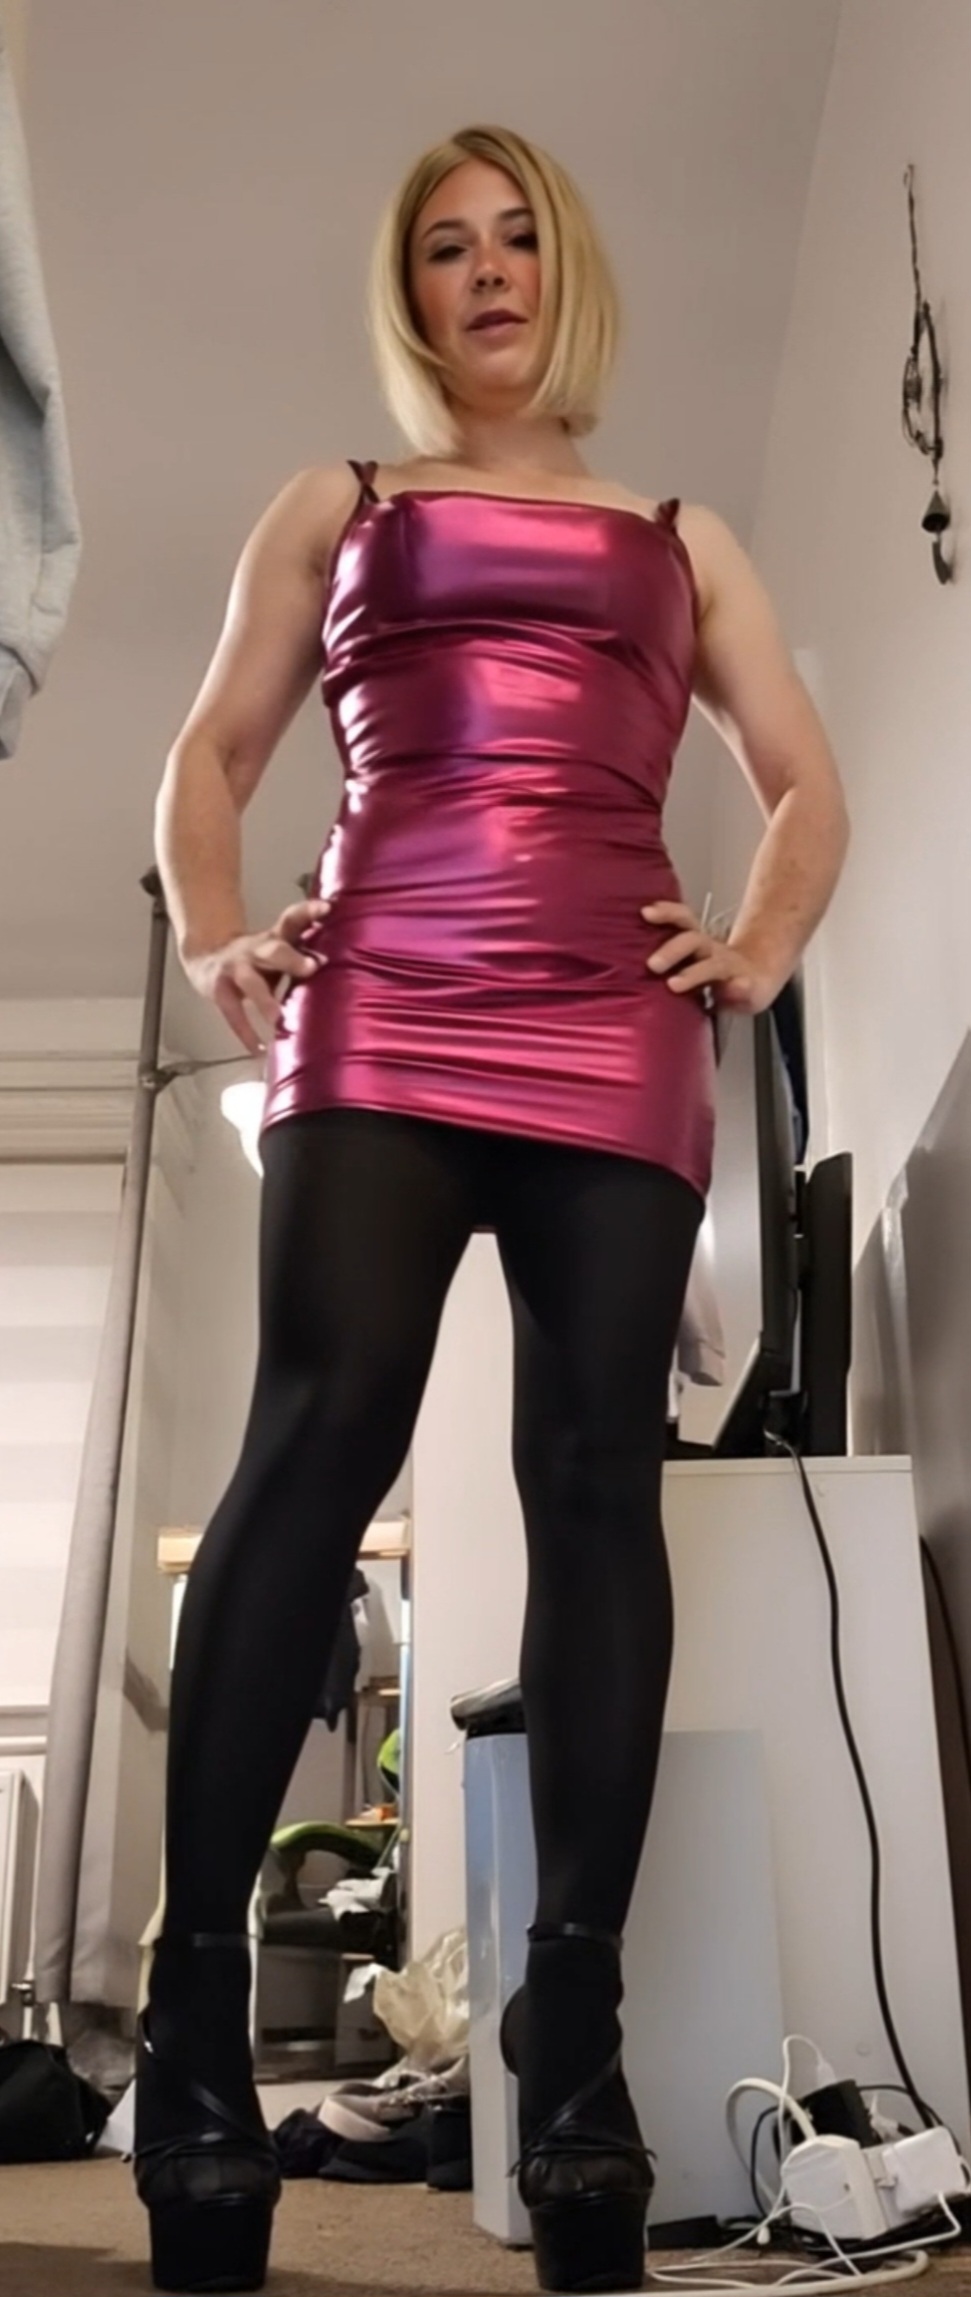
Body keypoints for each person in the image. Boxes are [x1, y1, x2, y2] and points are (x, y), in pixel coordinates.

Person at [134, 121, 850, 2296]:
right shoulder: (338, 504)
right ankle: (191, 2027)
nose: (488, 269)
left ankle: (581, 2038)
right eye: (446, 246)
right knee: (317, 1433)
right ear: (414, 295)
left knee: (598, 1477)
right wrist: (217, 927)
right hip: (382, 990)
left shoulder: (683, 534)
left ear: (568, 269)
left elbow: (803, 779)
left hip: (610, 1023)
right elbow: (212, 751)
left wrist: (756, 940)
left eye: (518, 234)